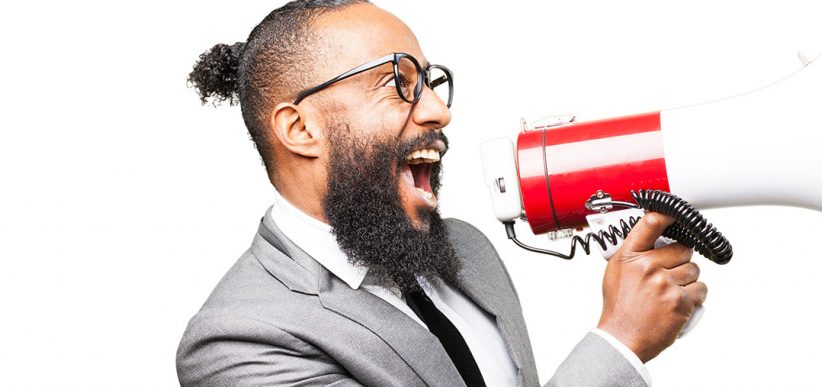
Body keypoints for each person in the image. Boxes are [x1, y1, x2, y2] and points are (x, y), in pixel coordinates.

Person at [176, 1, 707, 385]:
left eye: (431, 81)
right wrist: (619, 343)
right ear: (300, 129)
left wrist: (648, 305)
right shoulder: (240, 343)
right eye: (398, 83)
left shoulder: (467, 249)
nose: (437, 111)